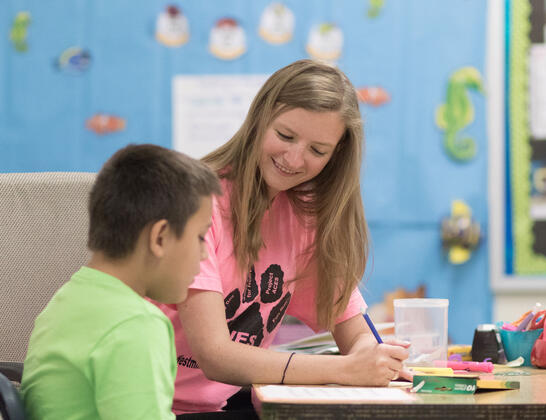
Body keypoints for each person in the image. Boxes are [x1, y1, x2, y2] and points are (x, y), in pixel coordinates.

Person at [156, 59, 412, 417]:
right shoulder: (194, 202)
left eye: (317, 150)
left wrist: (371, 358)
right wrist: (344, 369)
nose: (293, 159)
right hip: (154, 407)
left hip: (220, 405)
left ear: (335, 156)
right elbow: (215, 356)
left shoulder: (303, 216)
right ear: (259, 119)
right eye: (285, 136)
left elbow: (355, 331)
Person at [21, 144, 221, 419]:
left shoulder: (69, 297)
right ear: (160, 238)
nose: (205, 253)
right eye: (200, 237)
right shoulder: (136, 324)